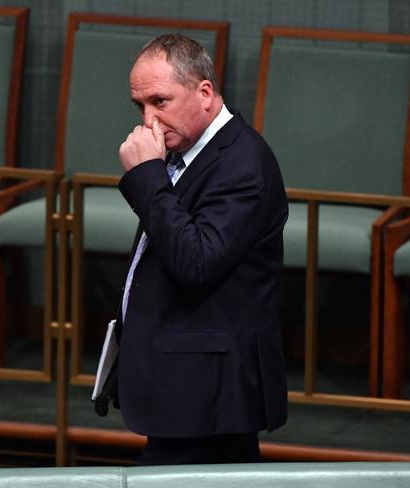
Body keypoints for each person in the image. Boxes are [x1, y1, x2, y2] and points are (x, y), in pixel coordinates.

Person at [102, 33, 289, 465]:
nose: (148, 120)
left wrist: (148, 175)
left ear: (205, 93)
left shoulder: (242, 163)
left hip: (210, 397)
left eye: (160, 102)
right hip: (184, 390)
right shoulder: (188, 152)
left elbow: (196, 262)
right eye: (140, 106)